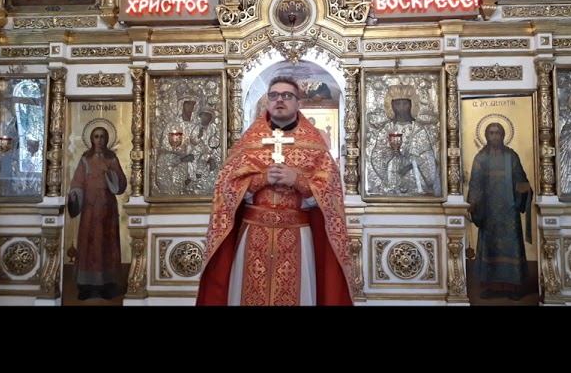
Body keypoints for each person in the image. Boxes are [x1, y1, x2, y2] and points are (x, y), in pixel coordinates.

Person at [197, 76, 353, 305]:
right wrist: (260, 179)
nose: (280, 100)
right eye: (274, 95)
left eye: (287, 95)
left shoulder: (315, 145)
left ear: (298, 102)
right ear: (268, 101)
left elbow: (331, 194)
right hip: (253, 232)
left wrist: (297, 180)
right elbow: (226, 188)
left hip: (297, 233)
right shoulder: (248, 142)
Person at [467, 123, 532, 300]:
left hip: (509, 212)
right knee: (490, 248)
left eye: (498, 133)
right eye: (491, 133)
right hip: (488, 212)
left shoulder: (511, 156)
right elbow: (475, 183)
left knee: (511, 246)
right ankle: (490, 287)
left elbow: (520, 178)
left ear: (503, 135)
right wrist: (474, 203)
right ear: (486, 136)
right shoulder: (481, 158)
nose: (494, 136)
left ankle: (513, 286)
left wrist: (524, 190)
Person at [68, 126, 127, 300]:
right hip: (90, 210)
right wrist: (75, 195)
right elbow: (78, 182)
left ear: (106, 139)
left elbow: (121, 183)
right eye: (96, 136)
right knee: (89, 246)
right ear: (92, 139)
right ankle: (86, 285)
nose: (99, 140)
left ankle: (107, 284)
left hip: (107, 210)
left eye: (102, 136)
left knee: (106, 245)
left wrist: (111, 175)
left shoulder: (112, 158)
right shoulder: (85, 159)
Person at [369, 86, 440, 196]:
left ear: (412, 105)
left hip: (415, 179)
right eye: (398, 104)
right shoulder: (388, 129)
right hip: (393, 177)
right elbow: (377, 155)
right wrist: (391, 154)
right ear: (391, 106)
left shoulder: (417, 129)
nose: (401, 108)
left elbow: (427, 156)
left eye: (405, 104)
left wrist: (411, 164)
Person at [155, 98, 202, 196]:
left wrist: (199, 138)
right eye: (188, 104)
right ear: (182, 105)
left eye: (192, 104)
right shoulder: (172, 125)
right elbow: (165, 144)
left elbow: (198, 145)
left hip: (192, 162)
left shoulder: (196, 126)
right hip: (175, 162)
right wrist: (181, 156)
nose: (190, 107)